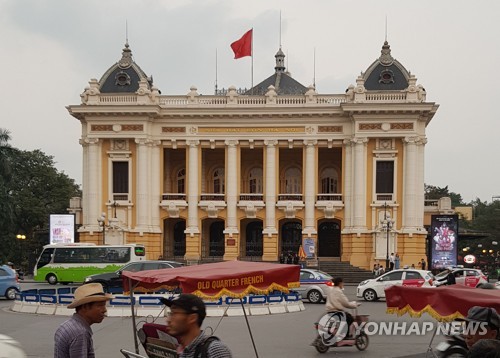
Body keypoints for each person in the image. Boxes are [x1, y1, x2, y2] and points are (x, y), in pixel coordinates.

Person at [161, 294, 232, 357]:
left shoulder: (214, 350)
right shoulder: (183, 352)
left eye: (174, 313)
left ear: (192, 318)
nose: (168, 320)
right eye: (170, 313)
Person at [54, 283, 112, 358]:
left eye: (104, 305)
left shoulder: (66, 325)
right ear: (85, 307)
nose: (104, 310)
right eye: (100, 305)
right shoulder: (80, 333)